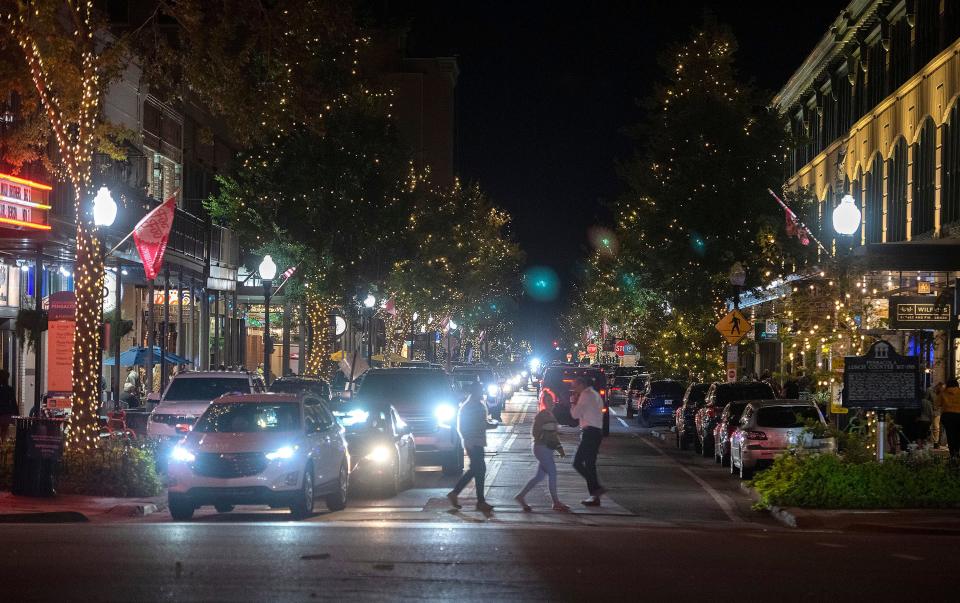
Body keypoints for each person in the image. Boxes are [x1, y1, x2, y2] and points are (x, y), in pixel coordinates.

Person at [447, 382, 497, 512]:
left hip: (478, 442)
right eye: (480, 390)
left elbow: (483, 423)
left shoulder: (480, 405)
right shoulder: (468, 407)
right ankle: (478, 501)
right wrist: (468, 441)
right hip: (472, 443)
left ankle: (458, 494)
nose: (482, 393)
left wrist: (492, 424)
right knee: (478, 469)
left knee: (477, 470)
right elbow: (462, 426)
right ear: (475, 392)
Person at [514, 397, 570, 512]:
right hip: (542, 448)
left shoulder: (547, 414)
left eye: (553, 401)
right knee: (552, 474)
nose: (553, 403)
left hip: (543, 448)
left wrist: (557, 445)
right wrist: (559, 448)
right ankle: (556, 502)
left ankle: (521, 497)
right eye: (550, 401)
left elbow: (551, 434)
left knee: (539, 477)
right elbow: (548, 435)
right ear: (545, 402)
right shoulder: (545, 415)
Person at [570, 374, 605, 506]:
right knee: (590, 464)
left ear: (581, 385)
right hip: (597, 432)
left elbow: (575, 415)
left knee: (577, 462)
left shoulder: (585, 395)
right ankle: (595, 497)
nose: (574, 390)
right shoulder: (595, 395)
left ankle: (596, 488)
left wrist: (573, 402)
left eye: (575, 387)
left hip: (589, 432)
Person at [937, 379, 960, 458]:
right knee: (958, 434)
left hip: (948, 416)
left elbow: (937, 403)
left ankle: (952, 454)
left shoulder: (943, 393)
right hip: (959, 415)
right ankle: (957, 452)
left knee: (950, 435)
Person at [0, 369, 18, 445]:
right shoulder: (10, 389)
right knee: (4, 433)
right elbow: (13, 402)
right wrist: (17, 414)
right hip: (6, 414)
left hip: (3, 414)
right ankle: (3, 447)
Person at [927, 382, 946, 449]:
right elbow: (926, 401)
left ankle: (936, 442)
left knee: (937, 427)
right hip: (930, 411)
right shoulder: (929, 390)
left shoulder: (943, 392)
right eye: (941, 388)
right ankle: (931, 441)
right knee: (931, 427)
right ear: (938, 386)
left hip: (938, 411)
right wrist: (930, 407)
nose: (942, 390)